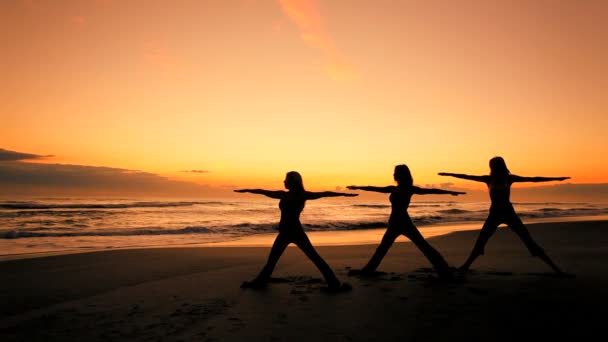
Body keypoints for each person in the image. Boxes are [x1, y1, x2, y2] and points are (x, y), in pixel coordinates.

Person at [439, 156, 571, 275]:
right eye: (492, 165)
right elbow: (467, 176)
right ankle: (465, 266)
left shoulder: (509, 178)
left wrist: (557, 178)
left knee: (528, 241)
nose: (493, 167)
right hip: (494, 214)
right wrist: (449, 174)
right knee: (481, 241)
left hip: (509, 213)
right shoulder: (488, 179)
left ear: (500, 166)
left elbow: (533, 179)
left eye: (495, 165)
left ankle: (556, 269)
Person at [234, 171, 357, 292]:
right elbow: (263, 191)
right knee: (273, 259)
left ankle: (334, 283)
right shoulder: (283, 194)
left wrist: (344, 195)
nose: (284, 181)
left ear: (293, 182)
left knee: (313, 257)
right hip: (285, 233)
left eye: (286, 179)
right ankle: (260, 282)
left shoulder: (301, 195)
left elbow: (325, 194)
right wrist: (246, 190)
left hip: (295, 232)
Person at [347, 164, 465, 280]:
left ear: (401, 175)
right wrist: (358, 187)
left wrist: (449, 192)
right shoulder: (393, 188)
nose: (394, 175)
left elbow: (431, 191)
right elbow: (375, 188)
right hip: (395, 223)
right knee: (383, 248)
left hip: (404, 223)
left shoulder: (410, 189)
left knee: (423, 246)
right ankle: (368, 270)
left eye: (396, 173)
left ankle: (444, 271)